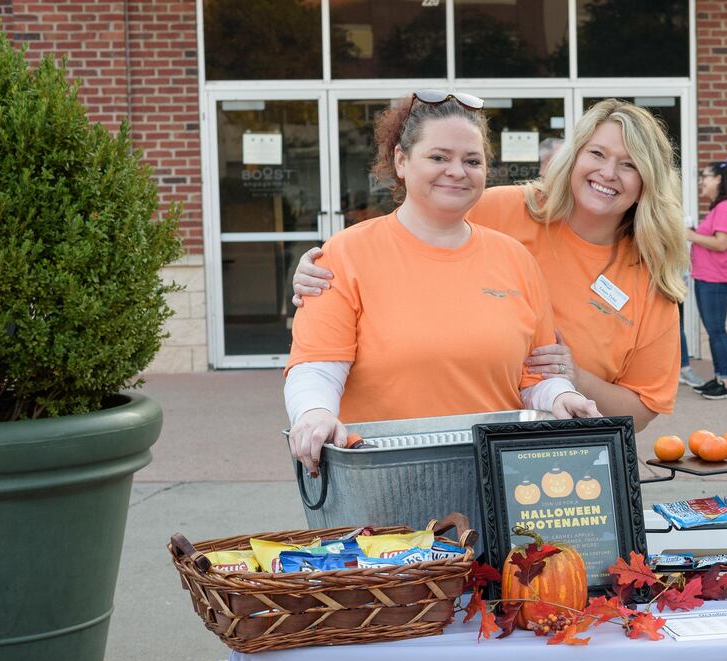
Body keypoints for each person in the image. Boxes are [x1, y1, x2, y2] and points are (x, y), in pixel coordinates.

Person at [294, 100, 687, 431]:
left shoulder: (650, 277)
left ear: (647, 181)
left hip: (546, 454)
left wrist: (573, 379)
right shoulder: (506, 210)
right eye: (597, 154)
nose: (607, 173)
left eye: (629, 164)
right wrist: (325, 271)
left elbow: (640, 411)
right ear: (575, 156)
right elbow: (412, 229)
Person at [285, 92, 598, 473]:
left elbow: (534, 377)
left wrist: (561, 396)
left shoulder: (515, 259)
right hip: (383, 475)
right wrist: (314, 413)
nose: (456, 171)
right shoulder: (345, 254)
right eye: (438, 157)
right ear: (401, 160)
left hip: (497, 477)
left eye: (472, 161)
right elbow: (317, 367)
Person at [684, 160, 727, 400]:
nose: (702, 181)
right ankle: (720, 377)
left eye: (705, 177)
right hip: (707, 277)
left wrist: (690, 235)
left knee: (717, 330)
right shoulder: (719, 207)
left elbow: (722, 243)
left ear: (719, 179)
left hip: (717, 279)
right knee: (714, 330)